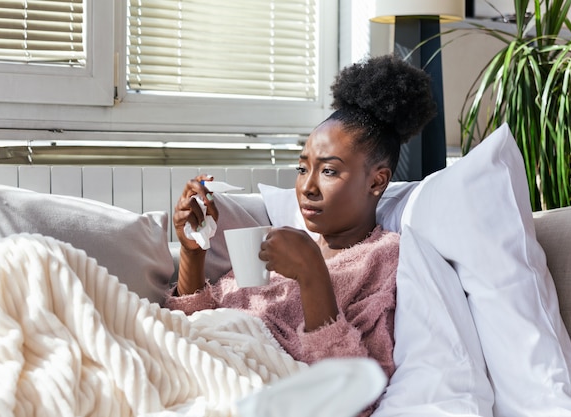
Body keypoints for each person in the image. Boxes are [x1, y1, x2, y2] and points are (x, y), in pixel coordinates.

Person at [164, 54, 437, 407]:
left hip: (253, 389)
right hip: (192, 361)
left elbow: (357, 393)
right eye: (302, 167)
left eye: (329, 171)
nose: (307, 186)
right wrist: (192, 252)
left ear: (377, 181)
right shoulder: (285, 243)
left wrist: (313, 275)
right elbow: (193, 324)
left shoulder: (384, 258)